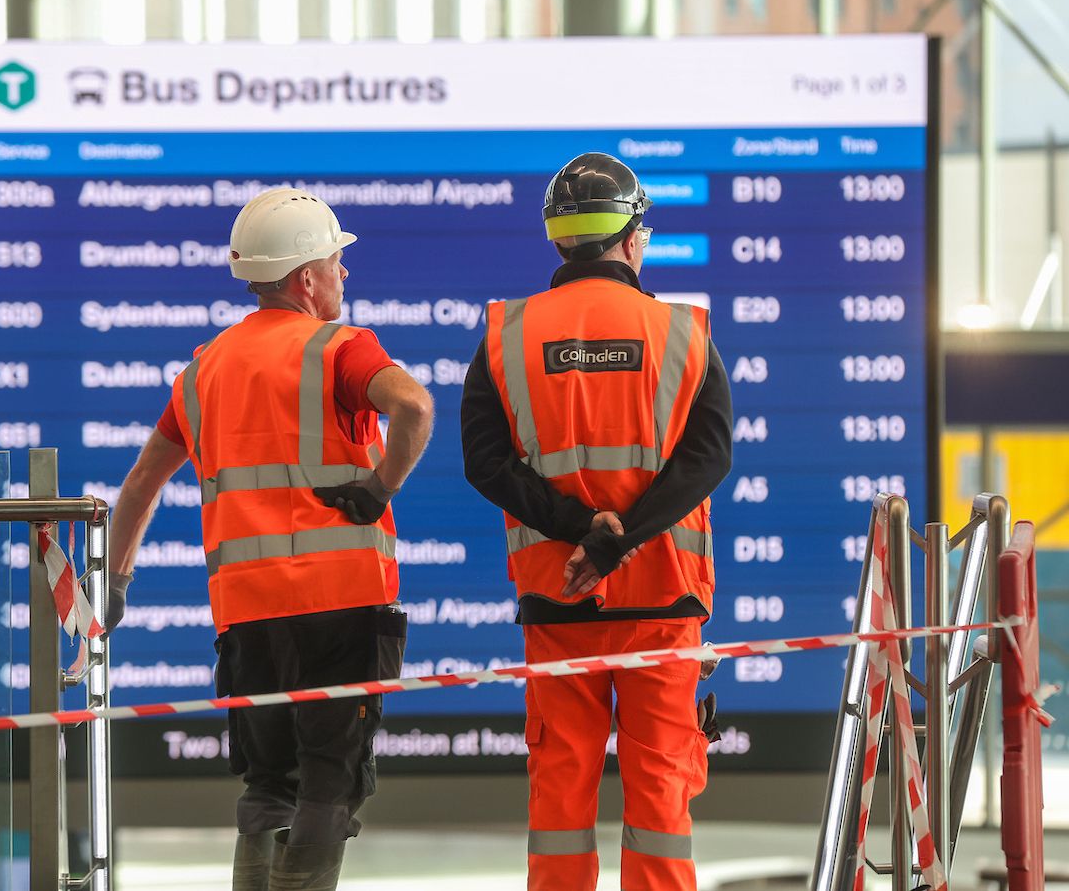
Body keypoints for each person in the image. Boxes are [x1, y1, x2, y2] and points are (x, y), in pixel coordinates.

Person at [105, 188, 434, 891]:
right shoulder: (339, 348)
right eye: (338, 262)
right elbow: (414, 404)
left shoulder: (201, 371)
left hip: (247, 615)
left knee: (265, 787)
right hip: (342, 606)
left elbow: (138, 486)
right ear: (306, 279)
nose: (346, 274)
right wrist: (380, 487)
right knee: (330, 785)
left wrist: (117, 584)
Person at [460, 152, 733, 891]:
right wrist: (624, 538)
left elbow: (486, 466)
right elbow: (706, 460)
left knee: (561, 793)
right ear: (633, 238)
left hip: (559, 601)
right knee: (661, 794)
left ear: (559, 241)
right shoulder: (685, 333)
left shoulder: (503, 337)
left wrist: (584, 530)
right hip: (664, 603)